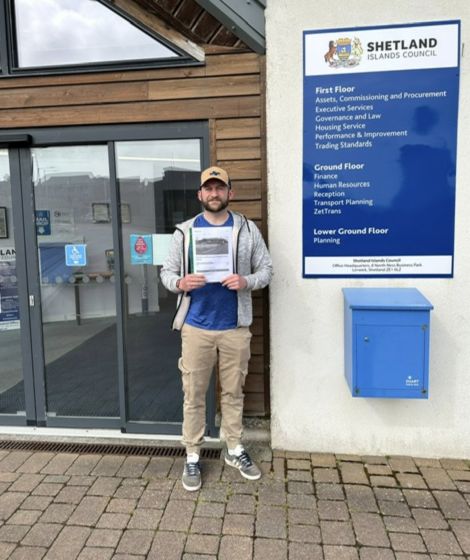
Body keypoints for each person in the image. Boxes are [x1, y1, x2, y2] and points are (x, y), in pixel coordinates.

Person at [161, 165, 273, 491]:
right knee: (194, 394)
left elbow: (266, 268)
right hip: (196, 327)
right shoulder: (184, 232)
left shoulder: (247, 230)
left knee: (234, 391)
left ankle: (234, 448)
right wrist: (180, 282)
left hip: (234, 326)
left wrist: (246, 281)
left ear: (230, 193)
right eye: (208, 188)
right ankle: (193, 454)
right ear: (200, 195)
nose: (214, 193)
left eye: (219, 188)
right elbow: (167, 274)